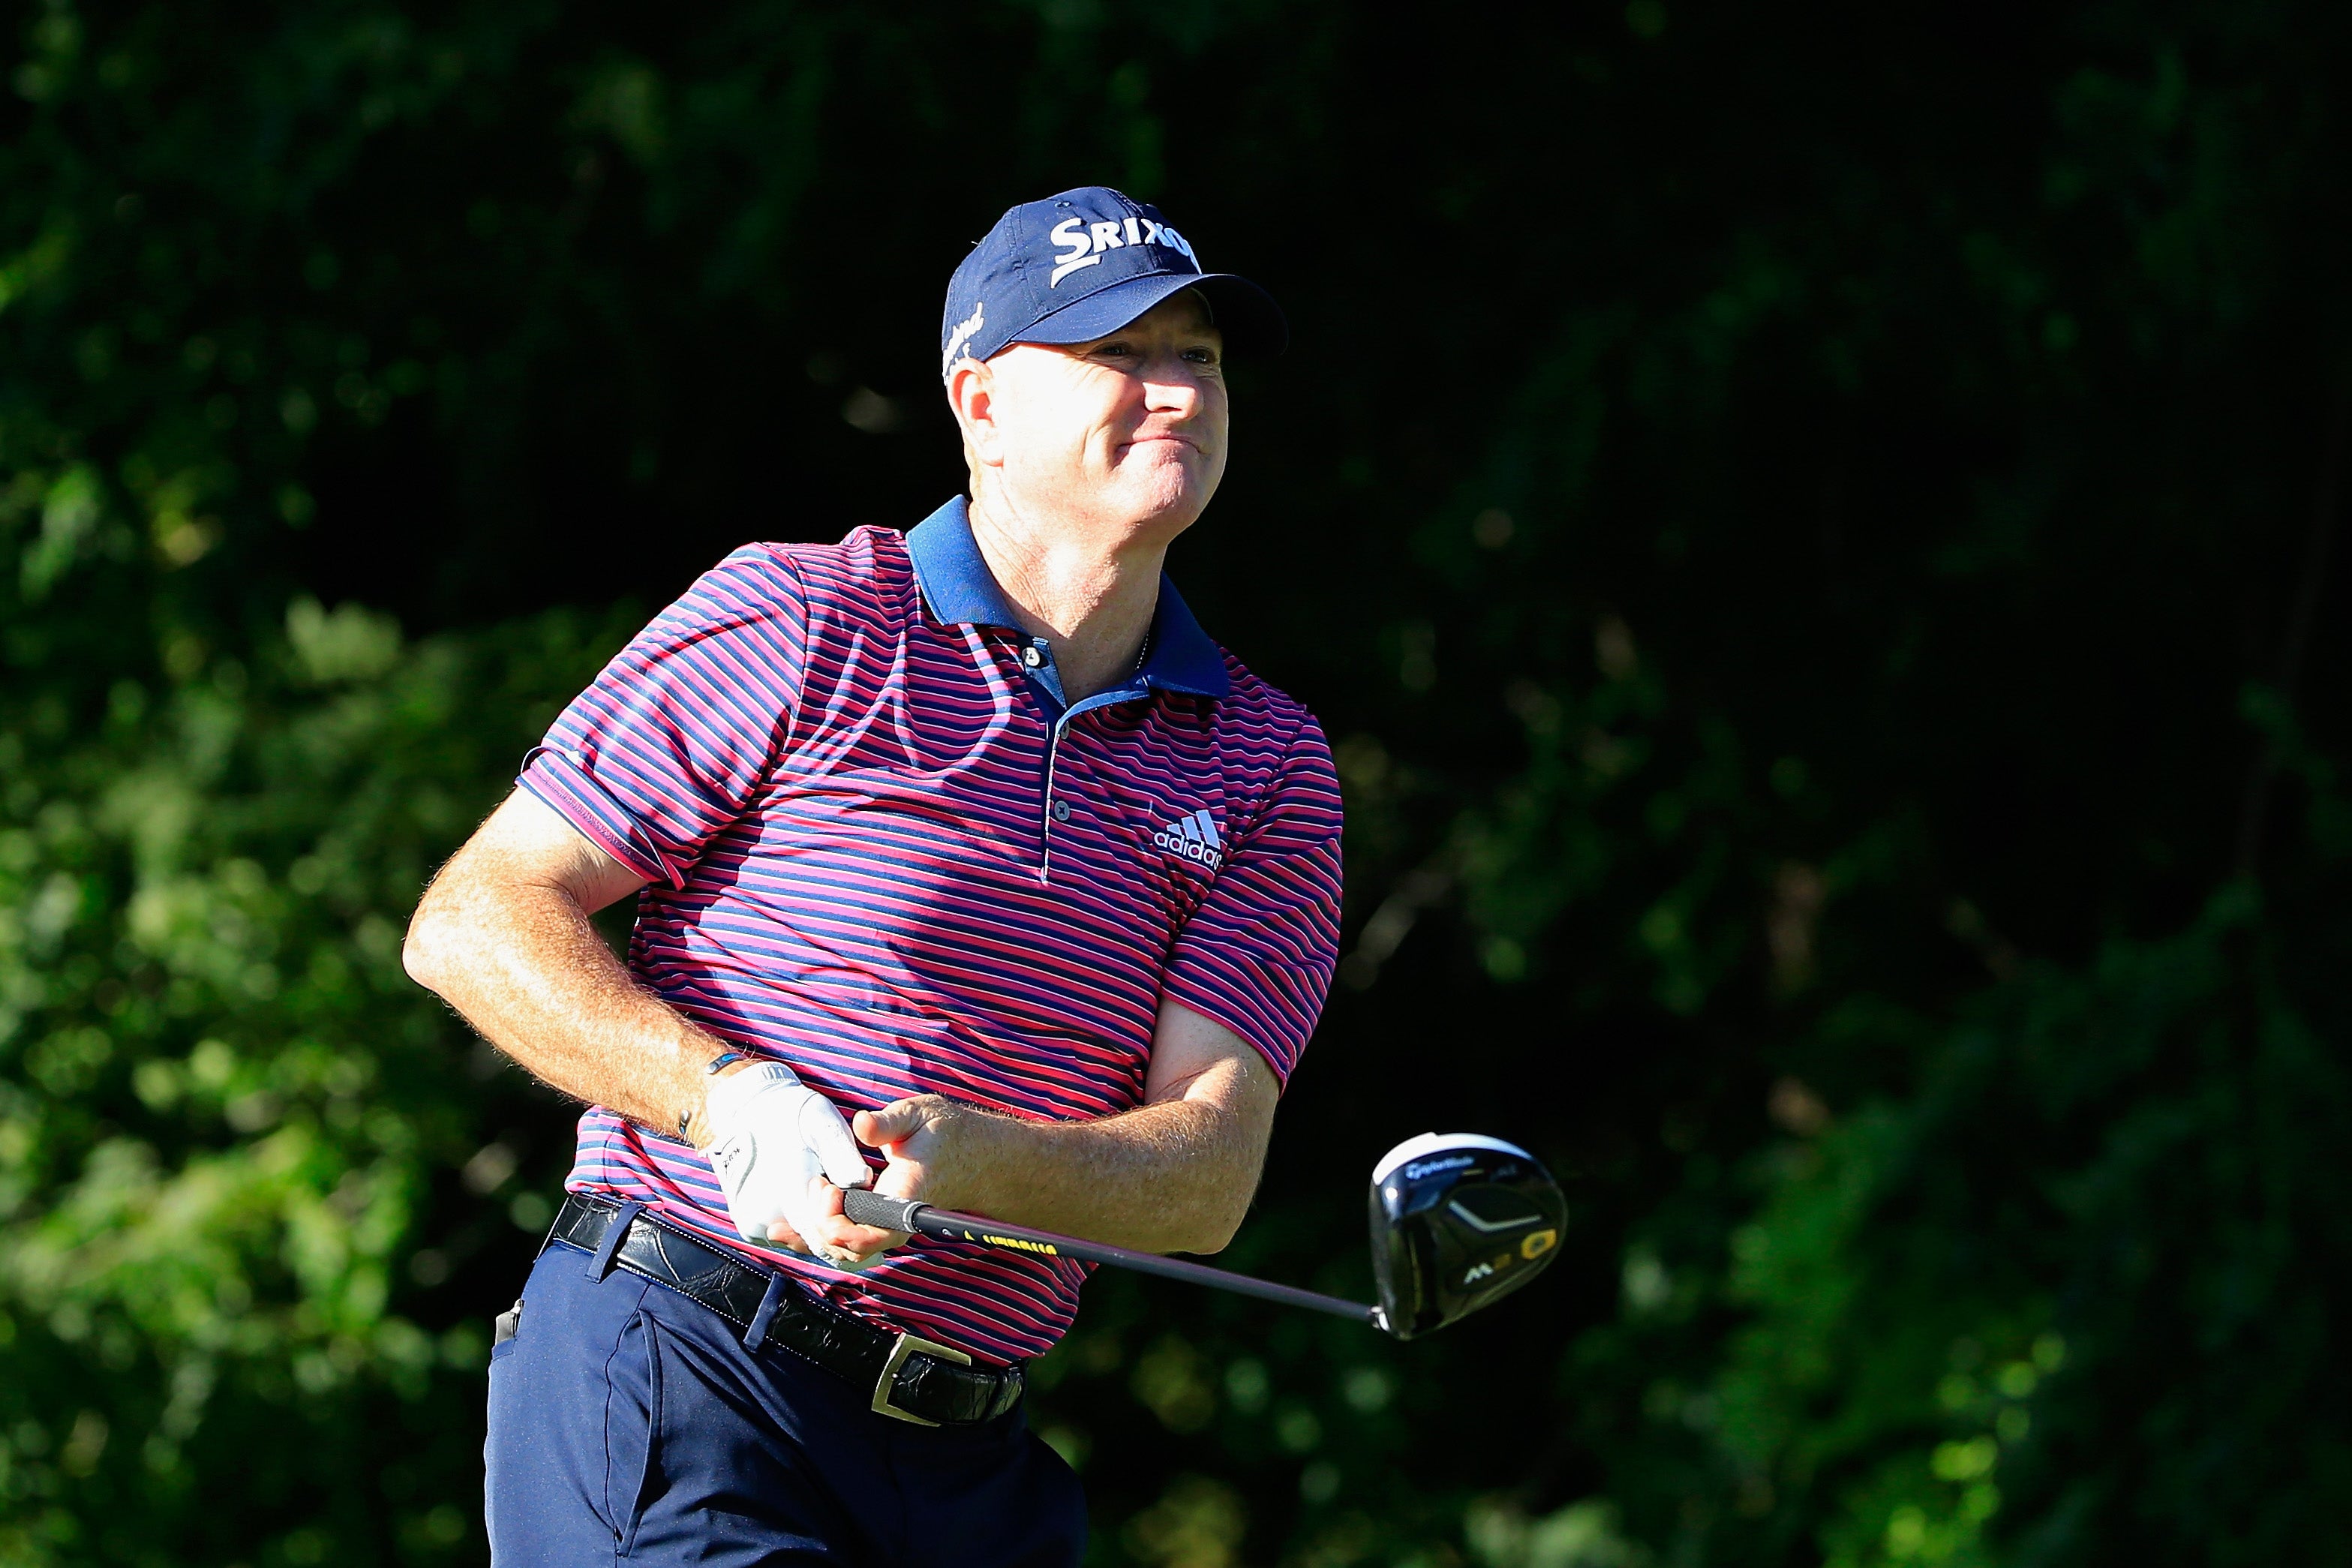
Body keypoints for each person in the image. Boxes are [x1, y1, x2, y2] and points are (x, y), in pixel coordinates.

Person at [402, 185, 1344, 1566]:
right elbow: (476, 919)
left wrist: (987, 1162)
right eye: (1117, 352)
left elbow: (1205, 1175)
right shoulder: (807, 615)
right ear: (981, 404)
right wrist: (733, 1100)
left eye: (1196, 356)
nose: (1176, 392)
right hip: (690, 1366)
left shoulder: (1267, 762)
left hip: (969, 1465)